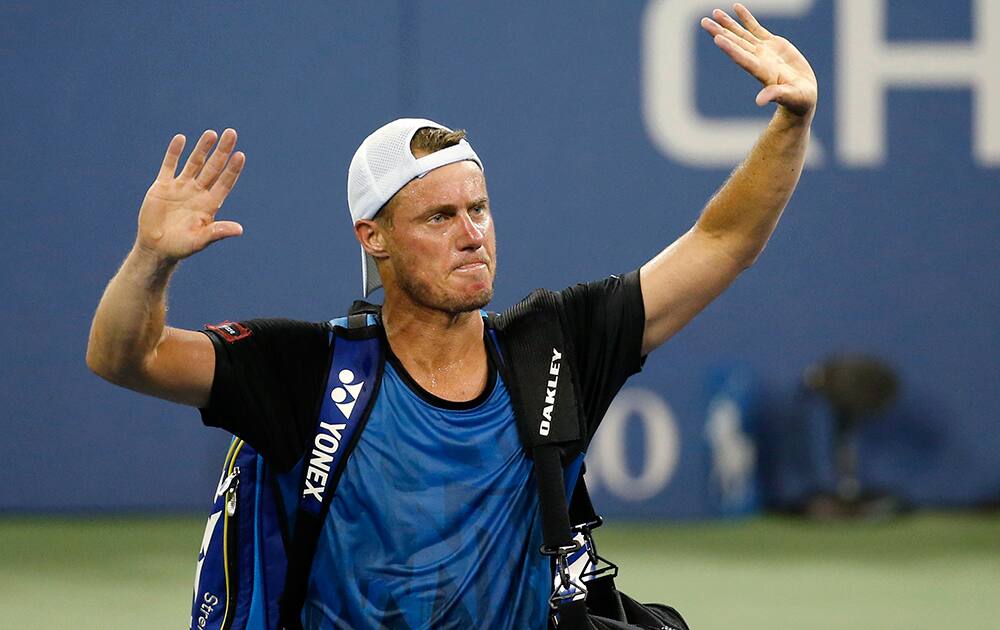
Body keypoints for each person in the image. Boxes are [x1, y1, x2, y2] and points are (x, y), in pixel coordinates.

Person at [86, 4, 817, 628]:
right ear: (374, 238)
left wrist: (791, 121)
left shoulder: (552, 349)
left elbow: (723, 242)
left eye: (479, 209)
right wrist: (152, 258)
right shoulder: (306, 373)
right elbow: (125, 357)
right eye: (439, 216)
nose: (472, 233)